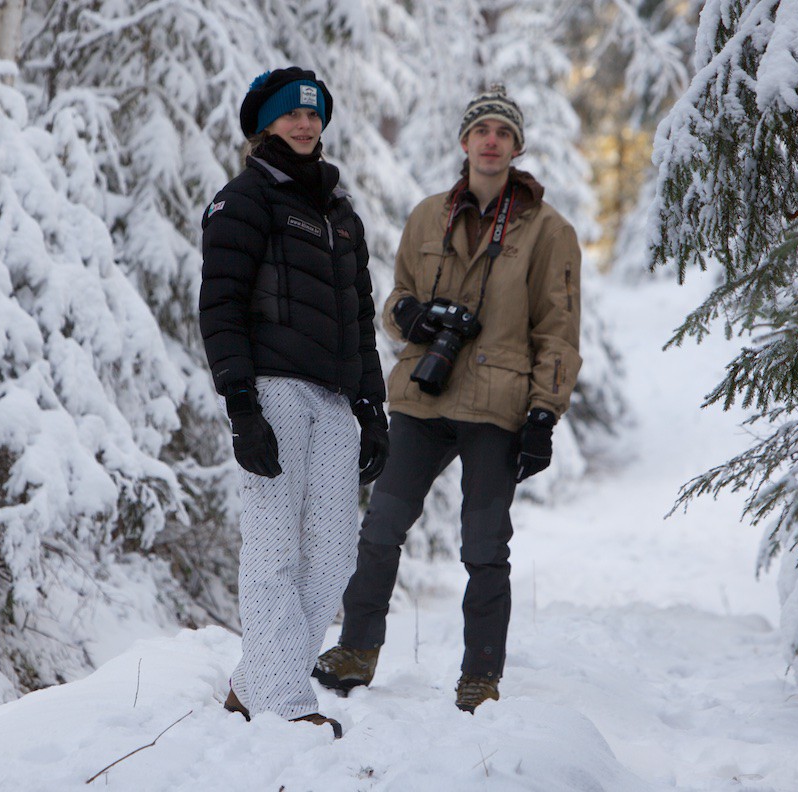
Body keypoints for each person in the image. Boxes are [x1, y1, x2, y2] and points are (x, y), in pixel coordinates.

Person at [313, 84, 581, 713]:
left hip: (497, 405)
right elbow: (396, 299)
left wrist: (544, 412)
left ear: (516, 148)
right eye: (481, 130)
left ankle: (480, 677)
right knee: (379, 528)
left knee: (484, 547)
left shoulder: (549, 231)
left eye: (503, 133)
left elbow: (559, 330)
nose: (491, 141)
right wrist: (410, 315)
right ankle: (356, 649)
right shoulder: (427, 214)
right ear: (465, 142)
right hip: (423, 399)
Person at [199, 67, 389, 738]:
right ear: (263, 123)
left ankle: (254, 682)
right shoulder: (242, 201)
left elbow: (360, 319)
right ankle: (283, 701)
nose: (304, 125)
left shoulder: (342, 214)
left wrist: (374, 409)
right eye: (290, 115)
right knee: (273, 550)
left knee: (334, 556)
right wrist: (242, 406)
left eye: (313, 115)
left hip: (336, 401)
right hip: (274, 391)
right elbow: (218, 308)